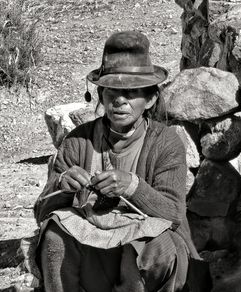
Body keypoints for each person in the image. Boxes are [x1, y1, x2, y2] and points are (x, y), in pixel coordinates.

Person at [34, 30, 209, 292]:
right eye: (112, 91)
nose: (120, 100)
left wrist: (132, 186)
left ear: (150, 99)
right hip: (94, 252)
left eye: (131, 92)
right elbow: (42, 213)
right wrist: (62, 185)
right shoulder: (78, 140)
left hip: (143, 258)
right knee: (54, 235)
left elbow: (173, 214)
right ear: (101, 95)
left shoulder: (166, 143)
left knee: (154, 245)